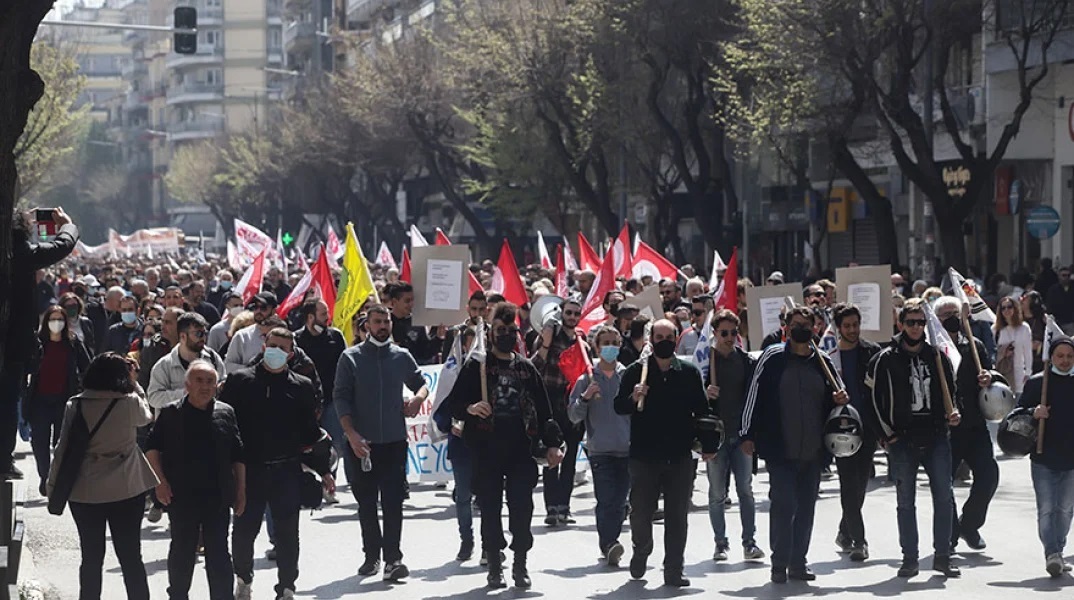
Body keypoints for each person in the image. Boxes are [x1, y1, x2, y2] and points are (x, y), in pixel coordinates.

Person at [448, 302, 565, 589]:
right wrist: (472, 407)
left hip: (520, 451)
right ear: (490, 332)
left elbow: (544, 410)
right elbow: (453, 405)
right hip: (486, 450)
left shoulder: (525, 369)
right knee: (489, 508)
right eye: (501, 330)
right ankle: (494, 564)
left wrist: (552, 445)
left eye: (511, 330)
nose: (507, 335)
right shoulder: (477, 367)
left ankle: (520, 563)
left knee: (522, 508)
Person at [740, 306, 848, 583]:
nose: (801, 328)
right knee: (783, 504)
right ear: (786, 327)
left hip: (813, 451)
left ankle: (798, 562)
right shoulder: (772, 358)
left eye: (806, 324)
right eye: (795, 323)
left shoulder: (823, 362)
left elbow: (838, 400)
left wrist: (839, 400)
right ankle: (780, 562)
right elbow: (754, 396)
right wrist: (747, 433)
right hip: (780, 449)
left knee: (806, 508)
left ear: (814, 328)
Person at [223, 327, 331, 600]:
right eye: (273, 345)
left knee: (287, 535)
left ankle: (286, 587)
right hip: (249, 471)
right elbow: (224, 424)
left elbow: (310, 432)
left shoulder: (301, 387)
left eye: (283, 348)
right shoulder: (239, 381)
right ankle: (244, 578)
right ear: (263, 346)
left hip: (286, 471)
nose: (277, 352)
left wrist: (324, 469)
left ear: (291, 354)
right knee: (244, 533)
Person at [614, 319, 718, 587]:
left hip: (679, 456)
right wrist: (633, 396)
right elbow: (618, 407)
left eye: (668, 336)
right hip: (644, 456)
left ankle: (674, 568)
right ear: (651, 339)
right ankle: (641, 550)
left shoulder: (688, 372)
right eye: (658, 337)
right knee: (640, 512)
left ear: (675, 339)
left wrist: (708, 445)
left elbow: (702, 410)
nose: (664, 341)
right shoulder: (637, 372)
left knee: (677, 515)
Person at [46, 352, 158, 600]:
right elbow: (146, 417)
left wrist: (53, 488)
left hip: (86, 491)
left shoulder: (76, 405)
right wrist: (135, 382)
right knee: (131, 557)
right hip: (126, 488)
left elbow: (62, 449)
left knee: (91, 558)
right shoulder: (129, 402)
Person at [865, 300, 962, 578]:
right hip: (902, 439)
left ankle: (943, 555)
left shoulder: (938, 357)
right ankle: (910, 558)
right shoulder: (885, 359)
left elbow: (952, 395)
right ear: (901, 324)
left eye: (921, 322)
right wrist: (887, 434)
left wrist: (953, 413)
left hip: (936, 437)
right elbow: (871, 400)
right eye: (911, 322)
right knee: (905, 500)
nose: (916, 327)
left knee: (944, 496)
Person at [334, 304, 430, 582]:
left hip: (394, 442)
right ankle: (371, 556)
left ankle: (393, 559)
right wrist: (350, 434)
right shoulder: (350, 358)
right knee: (366, 503)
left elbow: (421, 383)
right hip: (361, 444)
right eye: (377, 322)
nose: (382, 326)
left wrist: (418, 399)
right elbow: (340, 398)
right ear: (367, 325)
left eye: (386, 321)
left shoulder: (401, 356)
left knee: (393, 502)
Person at [146, 360, 245, 600]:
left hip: (217, 496)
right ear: (187, 384)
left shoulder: (225, 412)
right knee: (182, 550)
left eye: (210, 381)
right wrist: (159, 482)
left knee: (219, 553)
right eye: (199, 380)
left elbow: (238, 456)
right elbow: (152, 449)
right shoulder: (171, 413)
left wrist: (241, 492)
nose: (205, 386)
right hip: (181, 495)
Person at [3, 207, 79, 480]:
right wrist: (67, 224)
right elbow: (61, 245)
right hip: (12, 347)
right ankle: (3, 459)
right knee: (8, 402)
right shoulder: (22, 254)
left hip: (14, 346)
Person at [932, 296, 997, 553]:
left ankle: (970, 524)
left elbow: (991, 377)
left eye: (955, 313)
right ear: (936, 319)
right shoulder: (931, 349)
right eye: (946, 313)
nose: (951, 317)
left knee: (989, 475)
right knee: (943, 484)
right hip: (945, 429)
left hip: (974, 424)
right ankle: (949, 534)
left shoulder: (974, 345)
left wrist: (988, 377)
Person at [703, 310, 763, 563]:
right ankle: (720, 543)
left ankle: (749, 542)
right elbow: (693, 402)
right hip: (715, 438)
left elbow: (755, 400)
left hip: (741, 437)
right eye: (724, 333)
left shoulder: (747, 362)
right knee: (717, 494)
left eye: (733, 333)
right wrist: (706, 393)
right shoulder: (706, 362)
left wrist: (752, 436)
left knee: (745, 490)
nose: (729, 337)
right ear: (714, 334)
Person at [568, 325, 631, 566]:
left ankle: (611, 537)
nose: (610, 347)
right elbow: (573, 415)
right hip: (600, 450)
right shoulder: (586, 379)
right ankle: (609, 543)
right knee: (606, 499)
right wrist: (585, 398)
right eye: (605, 343)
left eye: (614, 342)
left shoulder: (628, 377)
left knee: (620, 500)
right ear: (596, 347)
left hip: (626, 448)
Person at [827, 303, 882, 561]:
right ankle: (859, 541)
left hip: (868, 428)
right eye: (847, 326)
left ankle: (843, 530)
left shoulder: (872, 352)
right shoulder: (829, 358)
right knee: (848, 484)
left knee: (860, 485)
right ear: (839, 328)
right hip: (842, 430)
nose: (852, 330)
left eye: (855, 325)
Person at [1019, 336, 1074, 576]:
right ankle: (1052, 553)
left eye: (1070, 356)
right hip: (1043, 457)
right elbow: (1017, 415)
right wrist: (1034, 412)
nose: (1065, 361)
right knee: (1047, 508)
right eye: (1060, 356)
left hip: (1071, 458)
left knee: (1065, 508)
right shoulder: (1037, 384)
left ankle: (1058, 550)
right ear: (1051, 357)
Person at [26, 305, 92, 495]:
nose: (57, 323)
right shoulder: (38, 343)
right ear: (46, 322)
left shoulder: (73, 343)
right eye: (53, 319)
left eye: (60, 319)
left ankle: (56, 479)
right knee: (39, 441)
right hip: (40, 401)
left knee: (60, 443)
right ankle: (44, 475)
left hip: (64, 400)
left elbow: (87, 366)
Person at [531, 297, 583, 526]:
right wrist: (545, 343)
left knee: (570, 457)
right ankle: (551, 507)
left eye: (575, 314)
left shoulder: (581, 341)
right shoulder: (548, 337)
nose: (572, 317)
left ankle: (564, 506)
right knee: (552, 455)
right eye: (569, 313)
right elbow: (534, 367)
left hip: (571, 401)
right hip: (550, 400)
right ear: (561, 313)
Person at [294, 298, 347, 504]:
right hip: (307, 404)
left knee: (335, 445)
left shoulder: (335, 336)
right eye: (323, 314)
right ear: (310, 317)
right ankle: (312, 484)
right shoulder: (297, 339)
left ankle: (329, 484)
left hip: (333, 400)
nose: (327, 318)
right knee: (310, 445)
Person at [146, 312, 227, 410]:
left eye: (205, 333)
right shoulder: (164, 366)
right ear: (183, 337)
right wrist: (186, 394)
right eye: (198, 334)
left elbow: (223, 385)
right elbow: (153, 398)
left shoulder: (213, 359)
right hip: (177, 423)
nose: (203, 338)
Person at [382, 281, 441, 365]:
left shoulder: (416, 322)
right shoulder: (384, 322)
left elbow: (425, 353)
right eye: (407, 301)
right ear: (395, 301)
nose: (411, 304)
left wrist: (439, 338)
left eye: (412, 300)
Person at [225, 292, 278, 373]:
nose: (258, 311)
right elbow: (228, 365)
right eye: (256, 307)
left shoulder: (284, 336)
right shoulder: (242, 336)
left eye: (263, 308)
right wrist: (253, 370)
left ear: (273, 311)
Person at [994, 295, 1033, 396]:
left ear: (1015, 308)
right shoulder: (996, 329)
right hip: (1002, 373)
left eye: (1009, 306)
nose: (1006, 310)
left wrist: (1028, 372)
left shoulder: (1024, 328)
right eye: (1003, 308)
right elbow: (992, 352)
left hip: (1020, 374)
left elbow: (1028, 352)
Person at [1046, 266, 1074, 334]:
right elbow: (1049, 304)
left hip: (1070, 322)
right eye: (1064, 275)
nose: (1066, 278)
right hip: (1057, 322)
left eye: (1068, 275)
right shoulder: (1053, 290)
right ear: (1059, 276)